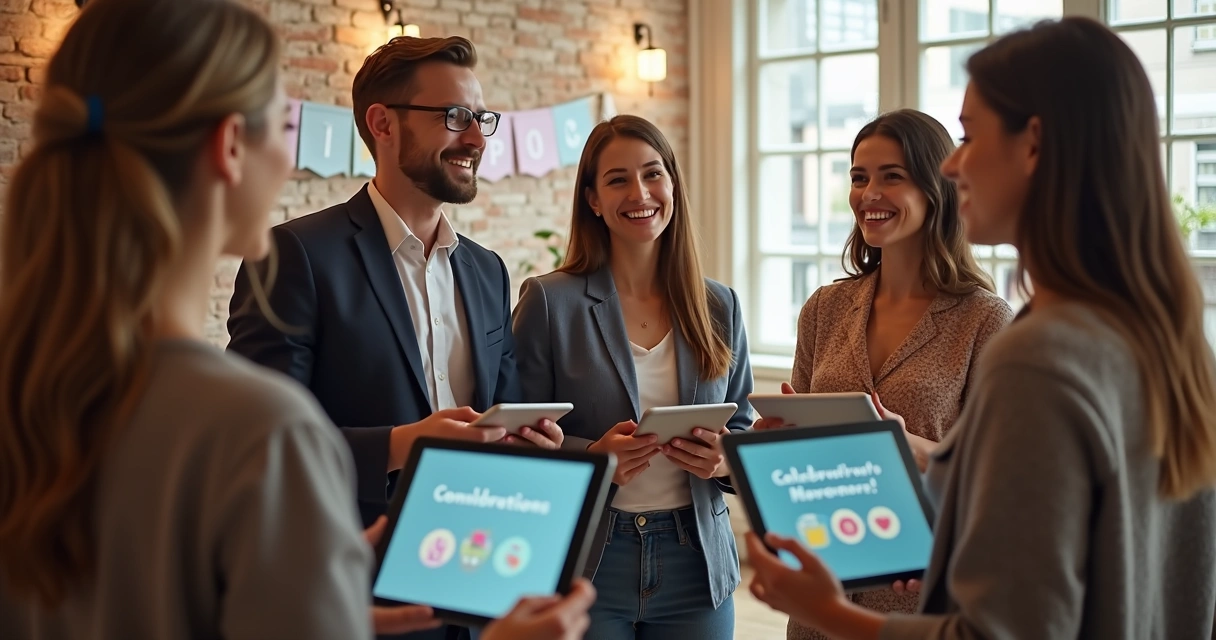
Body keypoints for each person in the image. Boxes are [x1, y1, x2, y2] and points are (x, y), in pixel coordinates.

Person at [0, 2, 595, 639]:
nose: (475, 136)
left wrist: (317, 590)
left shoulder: (31, 385)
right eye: (279, 125)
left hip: (446, 567)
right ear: (230, 145)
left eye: (481, 119)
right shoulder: (258, 418)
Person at [746, 16, 1216, 639]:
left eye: (968, 137)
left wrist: (827, 612)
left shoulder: (1038, 355)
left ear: (1034, 144)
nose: (952, 166)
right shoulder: (1170, 339)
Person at [227, 35, 562, 527]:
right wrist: (403, 445)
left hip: (478, 545)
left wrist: (529, 440)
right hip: (348, 562)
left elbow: (502, 414)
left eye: (481, 119)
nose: (476, 139)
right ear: (383, 123)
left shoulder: (488, 270)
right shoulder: (294, 256)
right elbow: (258, 440)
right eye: (454, 117)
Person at [757, 109, 1012, 639]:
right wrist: (777, 447)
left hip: (923, 593)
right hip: (822, 582)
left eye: (891, 176)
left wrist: (908, 444)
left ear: (936, 186)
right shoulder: (825, 308)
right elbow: (800, 465)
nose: (868, 193)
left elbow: (1000, 476)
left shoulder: (984, 320)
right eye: (859, 177)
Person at [512, 115, 754, 640]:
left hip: (698, 564)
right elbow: (515, 441)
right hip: (587, 560)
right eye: (617, 179)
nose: (639, 192)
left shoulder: (719, 304)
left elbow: (743, 421)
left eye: (652, 173)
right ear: (593, 199)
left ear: (672, 183)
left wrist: (724, 458)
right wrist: (593, 461)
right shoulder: (550, 301)